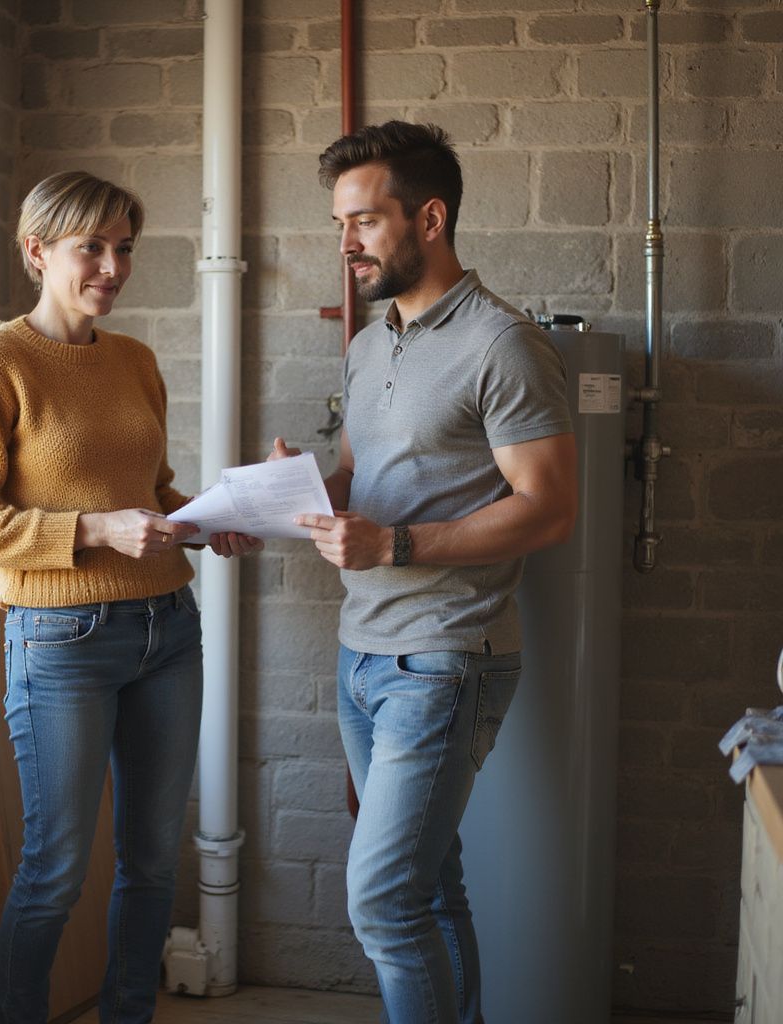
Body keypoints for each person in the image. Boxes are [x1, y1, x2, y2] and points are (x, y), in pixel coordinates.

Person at [270, 122, 578, 1024]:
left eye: (364, 221)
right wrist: (284, 496)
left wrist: (396, 547)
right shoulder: (370, 346)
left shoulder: (504, 345)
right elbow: (359, 480)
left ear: (430, 218)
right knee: (430, 891)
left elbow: (550, 509)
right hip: (361, 653)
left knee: (381, 899)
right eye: (340, 223)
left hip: (446, 660)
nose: (346, 244)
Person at [0, 171, 258, 1024]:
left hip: (169, 631)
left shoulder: (136, 361)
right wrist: (93, 531)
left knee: (153, 862)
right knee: (55, 868)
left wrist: (210, 518)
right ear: (37, 251)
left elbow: (148, 490)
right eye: (92, 248)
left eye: (124, 249)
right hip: (61, 640)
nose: (112, 267)